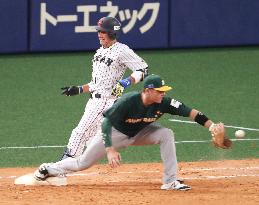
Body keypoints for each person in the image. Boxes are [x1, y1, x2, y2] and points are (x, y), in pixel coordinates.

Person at [34, 74, 229, 191]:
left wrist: (211, 126)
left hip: (140, 132)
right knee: (82, 163)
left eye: (164, 91)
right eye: (159, 91)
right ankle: (47, 169)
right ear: (148, 91)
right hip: (114, 133)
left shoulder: (165, 102)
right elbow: (106, 123)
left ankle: (170, 182)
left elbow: (192, 112)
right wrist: (110, 149)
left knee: (166, 134)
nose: (163, 94)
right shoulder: (128, 101)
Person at [60, 16, 148, 159]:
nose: (99, 34)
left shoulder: (121, 50)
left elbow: (143, 70)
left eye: (103, 32)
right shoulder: (99, 52)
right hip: (94, 101)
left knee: (79, 132)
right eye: (99, 31)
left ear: (112, 33)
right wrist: (79, 89)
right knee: (92, 140)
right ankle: (81, 163)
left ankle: (60, 169)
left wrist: (125, 83)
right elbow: (96, 84)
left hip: (105, 101)